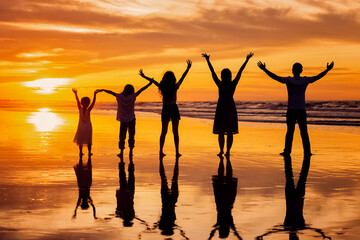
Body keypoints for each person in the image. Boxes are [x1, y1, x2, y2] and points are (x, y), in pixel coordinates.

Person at [257, 61, 334, 156]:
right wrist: (327, 70)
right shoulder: (305, 80)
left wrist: (264, 69)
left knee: (290, 131)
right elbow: (318, 77)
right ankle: (307, 152)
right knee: (304, 132)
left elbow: (276, 77)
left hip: (292, 110)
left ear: (293, 70)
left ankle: (287, 151)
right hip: (301, 110)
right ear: (301, 70)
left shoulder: (289, 80)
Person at [202, 52, 253, 156]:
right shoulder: (231, 84)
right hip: (229, 109)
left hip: (222, 109)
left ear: (223, 76)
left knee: (222, 132)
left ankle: (223, 151)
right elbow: (240, 72)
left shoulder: (220, 84)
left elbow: (212, 73)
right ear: (229, 76)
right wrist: (247, 60)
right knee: (228, 132)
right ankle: (227, 151)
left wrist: (208, 60)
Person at [139, 59, 192, 157]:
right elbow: (182, 77)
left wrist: (143, 76)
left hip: (166, 109)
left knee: (164, 131)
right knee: (175, 131)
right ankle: (177, 152)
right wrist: (188, 68)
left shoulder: (162, 86)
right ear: (173, 79)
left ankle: (161, 151)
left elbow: (153, 81)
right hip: (173, 108)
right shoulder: (175, 86)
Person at [97, 81, 152, 157]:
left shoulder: (120, 96)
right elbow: (142, 90)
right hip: (131, 119)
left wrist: (103, 90)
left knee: (122, 136)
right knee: (131, 136)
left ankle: (121, 152)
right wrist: (149, 83)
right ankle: (131, 151)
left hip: (123, 119)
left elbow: (111, 92)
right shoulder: (133, 96)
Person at [73, 88, 99, 156]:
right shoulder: (86, 109)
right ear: (87, 103)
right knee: (87, 138)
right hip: (86, 126)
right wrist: (95, 95)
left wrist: (76, 94)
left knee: (82, 139)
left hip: (83, 126)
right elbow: (93, 103)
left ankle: (82, 152)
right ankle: (87, 152)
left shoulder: (81, 108)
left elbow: (78, 101)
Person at [73, 155, 97, 219]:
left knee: (86, 169)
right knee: (83, 169)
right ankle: (85, 156)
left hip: (85, 184)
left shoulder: (85, 197)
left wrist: (75, 213)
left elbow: (93, 207)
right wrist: (75, 212)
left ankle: (87, 156)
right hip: (84, 184)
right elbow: (93, 207)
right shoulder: (86, 197)